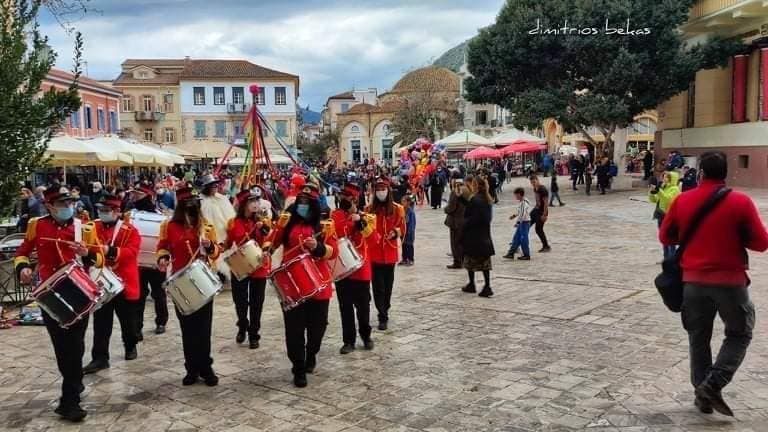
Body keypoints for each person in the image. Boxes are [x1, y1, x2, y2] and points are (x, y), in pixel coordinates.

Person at [660, 151, 768, 417]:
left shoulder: (683, 200)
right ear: (725, 173)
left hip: (693, 282)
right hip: (730, 282)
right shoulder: (740, 202)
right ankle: (713, 383)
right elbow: (761, 242)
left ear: (701, 174)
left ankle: (703, 392)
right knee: (740, 333)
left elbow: (665, 236)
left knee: (699, 338)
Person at [14, 186, 104, 422]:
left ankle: (70, 400)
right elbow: (22, 252)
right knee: (62, 347)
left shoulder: (83, 228)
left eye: (70, 203)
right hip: (50, 294)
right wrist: (23, 267)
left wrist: (86, 253)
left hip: (78, 291)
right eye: (63, 204)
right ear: (50, 206)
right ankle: (73, 384)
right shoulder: (38, 225)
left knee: (76, 344)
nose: (68, 207)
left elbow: (100, 258)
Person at [269, 183, 338, 387]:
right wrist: (266, 249)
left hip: (318, 282)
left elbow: (333, 251)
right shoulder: (287, 221)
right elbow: (273, 241)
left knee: (318, 327)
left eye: (307, 202)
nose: (303, 205)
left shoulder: (325, 224)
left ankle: (311, 353)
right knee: (294, 329)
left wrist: (318, 247)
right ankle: (298, 367)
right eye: (300, 201)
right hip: (292, 284)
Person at [156, 185, 221, 387]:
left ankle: (205, 366)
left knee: (204, 327)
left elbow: (216, 252)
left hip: (202, 280)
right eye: (187, 204)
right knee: (187, 327)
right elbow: (162, 247)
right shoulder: (169, 226)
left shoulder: (206, 226)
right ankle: (191, 368)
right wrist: (163, 259)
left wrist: (210, 246)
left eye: (195, 204)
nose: (192, 207)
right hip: (180, 280)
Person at [82, 195, 141, 375]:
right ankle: (100, 358)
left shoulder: (129, 230)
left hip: (124, 281)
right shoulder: (93, 227)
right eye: (101, 210)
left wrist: (112, 250)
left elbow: (132, 252)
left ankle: (130, 345)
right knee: (101, 323)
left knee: (128, 322)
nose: (103, 213)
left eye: (107, 211)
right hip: (101, 282)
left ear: (117, 212)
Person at [330, 183, 375, 355]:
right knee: (345, 307)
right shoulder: (335, 217)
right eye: (343, 197)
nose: (345, 200)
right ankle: (348, 340)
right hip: (342, 270)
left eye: (349, 198)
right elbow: (334, 235)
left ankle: (366, 335)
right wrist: (346, 216)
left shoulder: (366, 217)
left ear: (355, 199)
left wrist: (361, 223)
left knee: (363, 307)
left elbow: (374, 239)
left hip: (361, 270)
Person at [225, 187, 272, 350]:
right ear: (244, 204)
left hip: (258, 265)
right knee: (240, 301)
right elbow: (226, 243)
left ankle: (254, 334)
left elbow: (268, 239)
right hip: (240, 265)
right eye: (251, 201)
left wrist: (262, 228)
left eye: (256, 201)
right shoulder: (233, 222)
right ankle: (242, 324)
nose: (255, 204)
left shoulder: (262, 220)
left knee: (257, 302)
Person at [366, 177, 406, 331]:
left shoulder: (397, 209)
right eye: (378, 190)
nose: (381, 192)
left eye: (383, 189)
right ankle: (382, 315)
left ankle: (385, 307)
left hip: (389, 253)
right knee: (378, 286)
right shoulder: (369, 210)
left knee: (388, 286)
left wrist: (395, 232)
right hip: (375, 253)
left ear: (388, 191)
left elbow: (402, 228)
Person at [131, 185, 169, 338]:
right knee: (138, 296)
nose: (134, 198)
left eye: (137, 195)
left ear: (146, 196)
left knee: (159, 294)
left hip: (156, 261)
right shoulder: (131, 215)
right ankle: (137, 326)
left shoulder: (161, 217)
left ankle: (161, 321)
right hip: (138, 263)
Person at [460, 176, 494, 297]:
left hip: (473, 236)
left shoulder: (475, 199)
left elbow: (471, 215)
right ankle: (487, 285)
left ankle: (472, 284)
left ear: (475, 186)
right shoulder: (487, 199)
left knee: (469, 261)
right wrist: (461, 198)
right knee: (485, 263)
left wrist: (465, 224)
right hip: (484, 235)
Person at [649, 171, 681, 260]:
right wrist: (652, 192)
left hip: (670, 217)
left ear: (672, 179)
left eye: (667, 177)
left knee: (670, 240)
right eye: (664, 177)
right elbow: (655, 200)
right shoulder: (663, 187)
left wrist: (659, 191)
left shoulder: (675, 189)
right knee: (664, 238)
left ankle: (672, 259)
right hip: (661, 215)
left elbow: (668, 199)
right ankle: (666, 258)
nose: (664, 179)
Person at [444, 176, 470, 269]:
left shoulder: (455, 191)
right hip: (466, 219)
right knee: (463, 241)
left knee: (455, 242)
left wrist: (445, 209)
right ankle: (463, 260)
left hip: (455, 221)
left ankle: (457, 262)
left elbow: (451, 207)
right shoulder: (468, 189)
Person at [504, 187, 532, 260]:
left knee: (523, 239)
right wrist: (514, 216)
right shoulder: (523, 201)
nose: (515, 197)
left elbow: (522, 214)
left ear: (519, 194)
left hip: (524, 223)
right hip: (523, 222)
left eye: (516, 195)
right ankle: (511, 253)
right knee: (516, 238)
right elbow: (520, 212)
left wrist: (518, 222)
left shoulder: (523, 203)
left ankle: (526, 255)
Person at [528, 175, 551, 253]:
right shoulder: (535, 188)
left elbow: (546, 203)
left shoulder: (542, 189)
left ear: (537, 180)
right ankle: (518, 244)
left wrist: (544, 215)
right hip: (536, 210)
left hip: (542, 212)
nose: (533, 184)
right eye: (531, 183)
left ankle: (546, 246)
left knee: (538, 229)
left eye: (534, 182)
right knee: (526, 224)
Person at [400, 194, 416, 266]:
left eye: (404, 201)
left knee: (409, 246)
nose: (402, 203)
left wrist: (409, 232)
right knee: (403, 246)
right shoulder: (402, 210)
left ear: (408, 202)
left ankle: (410, 259)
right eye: (402, 201)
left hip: (409, 233)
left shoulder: (411, 212)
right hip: (403, 232)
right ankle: (404, 259)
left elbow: (412, 224)